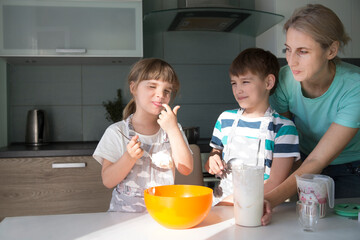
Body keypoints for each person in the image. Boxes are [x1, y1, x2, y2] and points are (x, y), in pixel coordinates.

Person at [263, 4, 360, 223]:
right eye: (288, 49)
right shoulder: (286, 79)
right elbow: (287, 137)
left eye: (303, 51)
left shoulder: (355, 87)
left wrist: (270, 198)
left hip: (351, 169)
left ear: (331, 50)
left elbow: (319, 157)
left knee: (342, 230)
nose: (291, 60)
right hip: (302, 163)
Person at [205, 48, 301, 216]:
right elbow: (214, 154)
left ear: (269, 83)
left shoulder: (284, 128)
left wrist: (232, 203)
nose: (238, 90)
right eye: (234, 83)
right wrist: (212, 159)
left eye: (245, 82)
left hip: (257, 209)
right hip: (220, 206)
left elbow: (276, 182)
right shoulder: (225, 119)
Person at [93, 58, 193, 212]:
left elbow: (186, 169)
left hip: (162, 216)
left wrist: (173, 130)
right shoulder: (117, 132)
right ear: (133, 88)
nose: (160, 94)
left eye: (167, 90)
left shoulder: (173, 129)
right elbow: (108, 180)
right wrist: (129, 157)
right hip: (122, 219)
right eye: (152, 86)